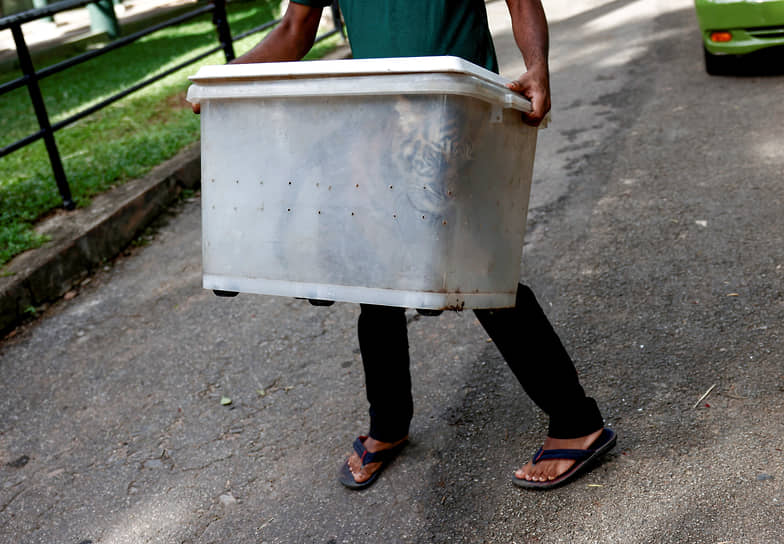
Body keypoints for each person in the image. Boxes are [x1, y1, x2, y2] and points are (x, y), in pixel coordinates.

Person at [195, 0, 616, 490]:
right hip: (379, 116)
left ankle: (577, 422)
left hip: (460, 116)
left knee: (479, 271)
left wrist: (538, 68)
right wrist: (223, 80)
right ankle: (389, 424)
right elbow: (294, 28)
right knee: (374, 273)